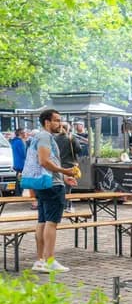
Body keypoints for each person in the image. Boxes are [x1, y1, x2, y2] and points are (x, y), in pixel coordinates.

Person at [31, 109, 77, 273]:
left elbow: (46, 162)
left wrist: (63, 177)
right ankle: (49, 260)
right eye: (57, 120)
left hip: (44, 183)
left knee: (42, 221)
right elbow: (43, 161)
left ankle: (40, 260)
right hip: (52, 185)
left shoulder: (38, 136)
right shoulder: (44, 136)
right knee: (51, 223)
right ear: (47, 122)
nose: (60, 123)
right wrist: (65, 172)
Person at [54, 126, 82, 212]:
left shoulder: (55, 139)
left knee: (58, 185)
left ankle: (59, 205)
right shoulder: (71, 138)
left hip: (57, 165)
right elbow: (78, 150)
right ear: (69, 129)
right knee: (68, 187)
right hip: (69, 165)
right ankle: (67, 206)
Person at [11, 128, 27, 196]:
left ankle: (18, 193)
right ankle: (19, 193)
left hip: (17, 163)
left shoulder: (14, 141)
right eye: (24, 132)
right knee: (20, 179)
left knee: (18, 179)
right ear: (21, 133)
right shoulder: (20, 142)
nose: (25, 134)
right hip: (21, 164)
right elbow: (23, 154)